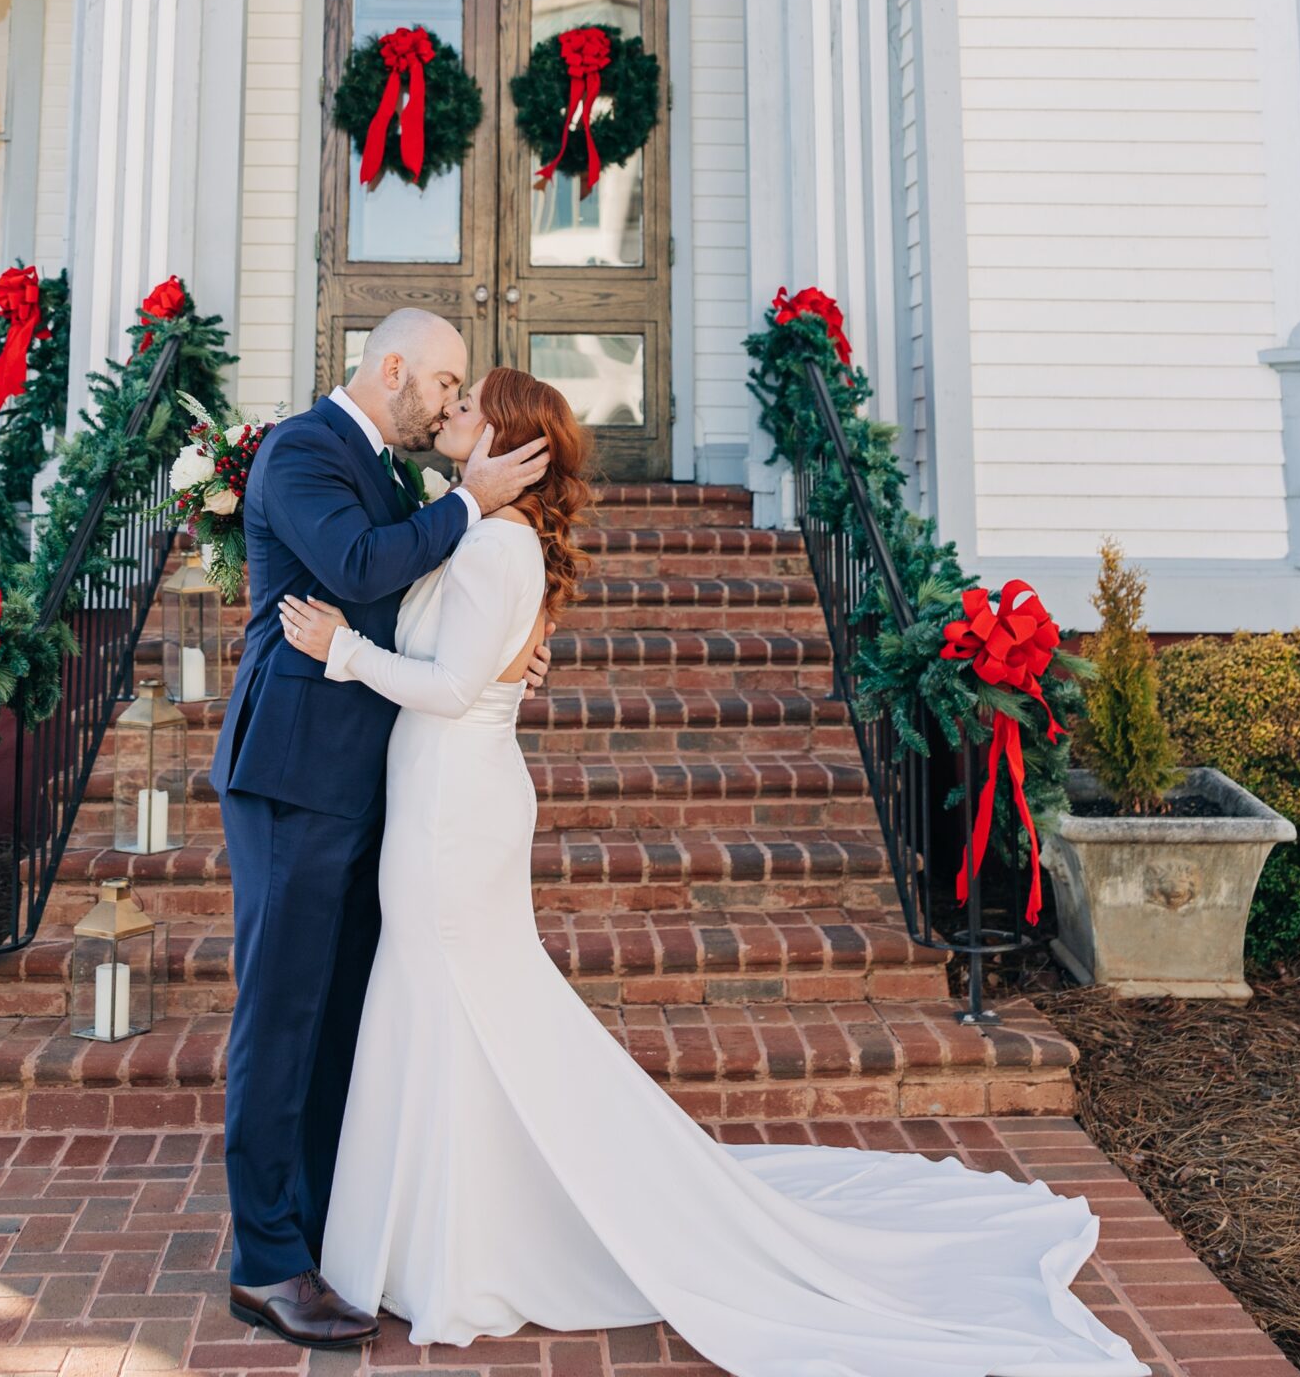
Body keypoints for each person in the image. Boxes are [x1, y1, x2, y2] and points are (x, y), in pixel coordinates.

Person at [279, 368, 1149, 1377]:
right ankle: (453, 1224)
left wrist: (342, 650)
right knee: (453, 1009)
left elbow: (450, 683)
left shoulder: (497, 547)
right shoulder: (478, 532)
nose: (453, 413)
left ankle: (458, 1243)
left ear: (511, 445)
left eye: (470, 405)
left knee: (453, 1000)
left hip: (452, 807)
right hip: (448, 795)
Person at [214, 309, 552, 1348]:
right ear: (390, 366)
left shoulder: (394, 471)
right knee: (282, 1010)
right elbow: (360, 566)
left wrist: (507, 657)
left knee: (344, 1010)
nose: (452, 403)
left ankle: (323, 1226)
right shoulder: (302, 451)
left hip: (376, 781)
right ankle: (268, 1261)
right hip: (294, 774)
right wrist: (469, 500)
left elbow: (424, 601)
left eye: (461, 393)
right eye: (443, 383)